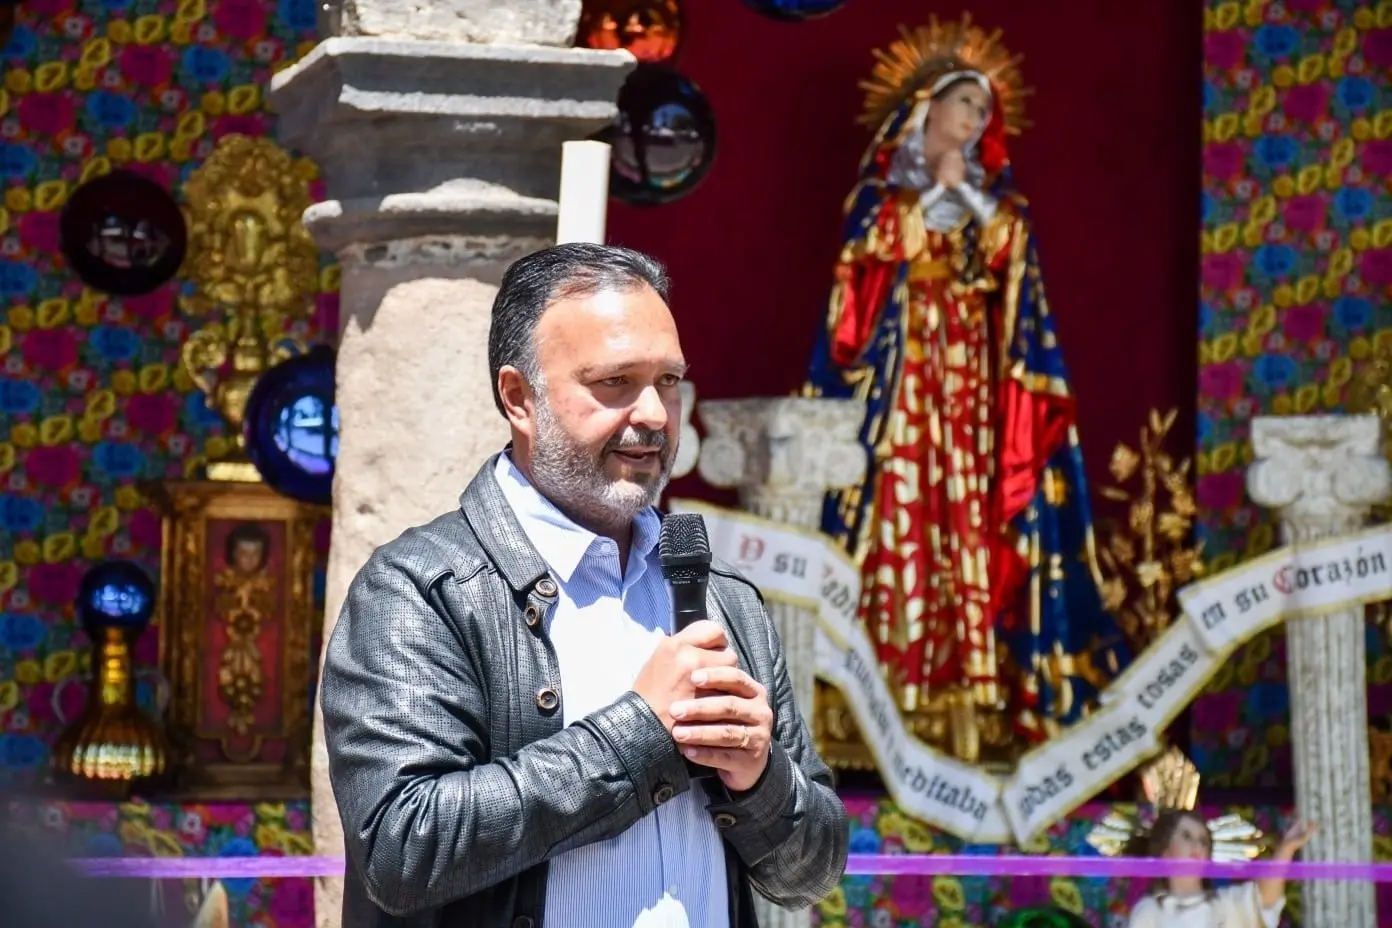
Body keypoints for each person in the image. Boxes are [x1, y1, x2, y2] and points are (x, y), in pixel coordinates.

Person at [321, 242, 849, 928]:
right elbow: (402, 850)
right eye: (615, 382)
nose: (656, 415)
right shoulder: (423, 591)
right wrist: (640, 731)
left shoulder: (726, 600)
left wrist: (760, 779)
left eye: (668, 381)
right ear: (519, 398)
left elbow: (813, 872)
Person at [803, 22, 1129, 760]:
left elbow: (1012, 263)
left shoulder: (997, 200)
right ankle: (872, 698)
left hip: (973, 391)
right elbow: (861, 274)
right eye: (963, 104)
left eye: (984, 111)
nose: (975, 119)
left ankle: (975, 700)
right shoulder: (883, 195)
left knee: (971, 524)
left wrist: (969, 200)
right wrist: (923, 205)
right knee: (899, 519)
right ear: (925, 106)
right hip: (903, 387)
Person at [1125, 810, 1315, 928]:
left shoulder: (1226, 905)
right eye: (1186, 836)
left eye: (1203, 841)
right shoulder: (1149, 912)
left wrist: (1286, 848)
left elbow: (1264, 899)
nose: (1197, 846)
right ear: (1165, 852)